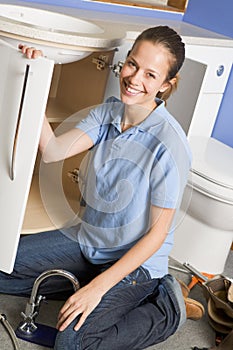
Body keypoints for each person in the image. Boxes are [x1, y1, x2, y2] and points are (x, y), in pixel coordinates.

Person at [0, 26, 204, 350]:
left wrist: (98, 289)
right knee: (2, 264)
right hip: (89, 243)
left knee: (72, 342)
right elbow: (53, 150)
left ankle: (168, 308)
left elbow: (157, 235)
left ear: (166, 85)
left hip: (135, 265)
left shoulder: (169, 143)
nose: (135, 79)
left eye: (150, 75)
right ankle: (86, 285)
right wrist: (31, 81)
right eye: (133, 64)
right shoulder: (107, 112)